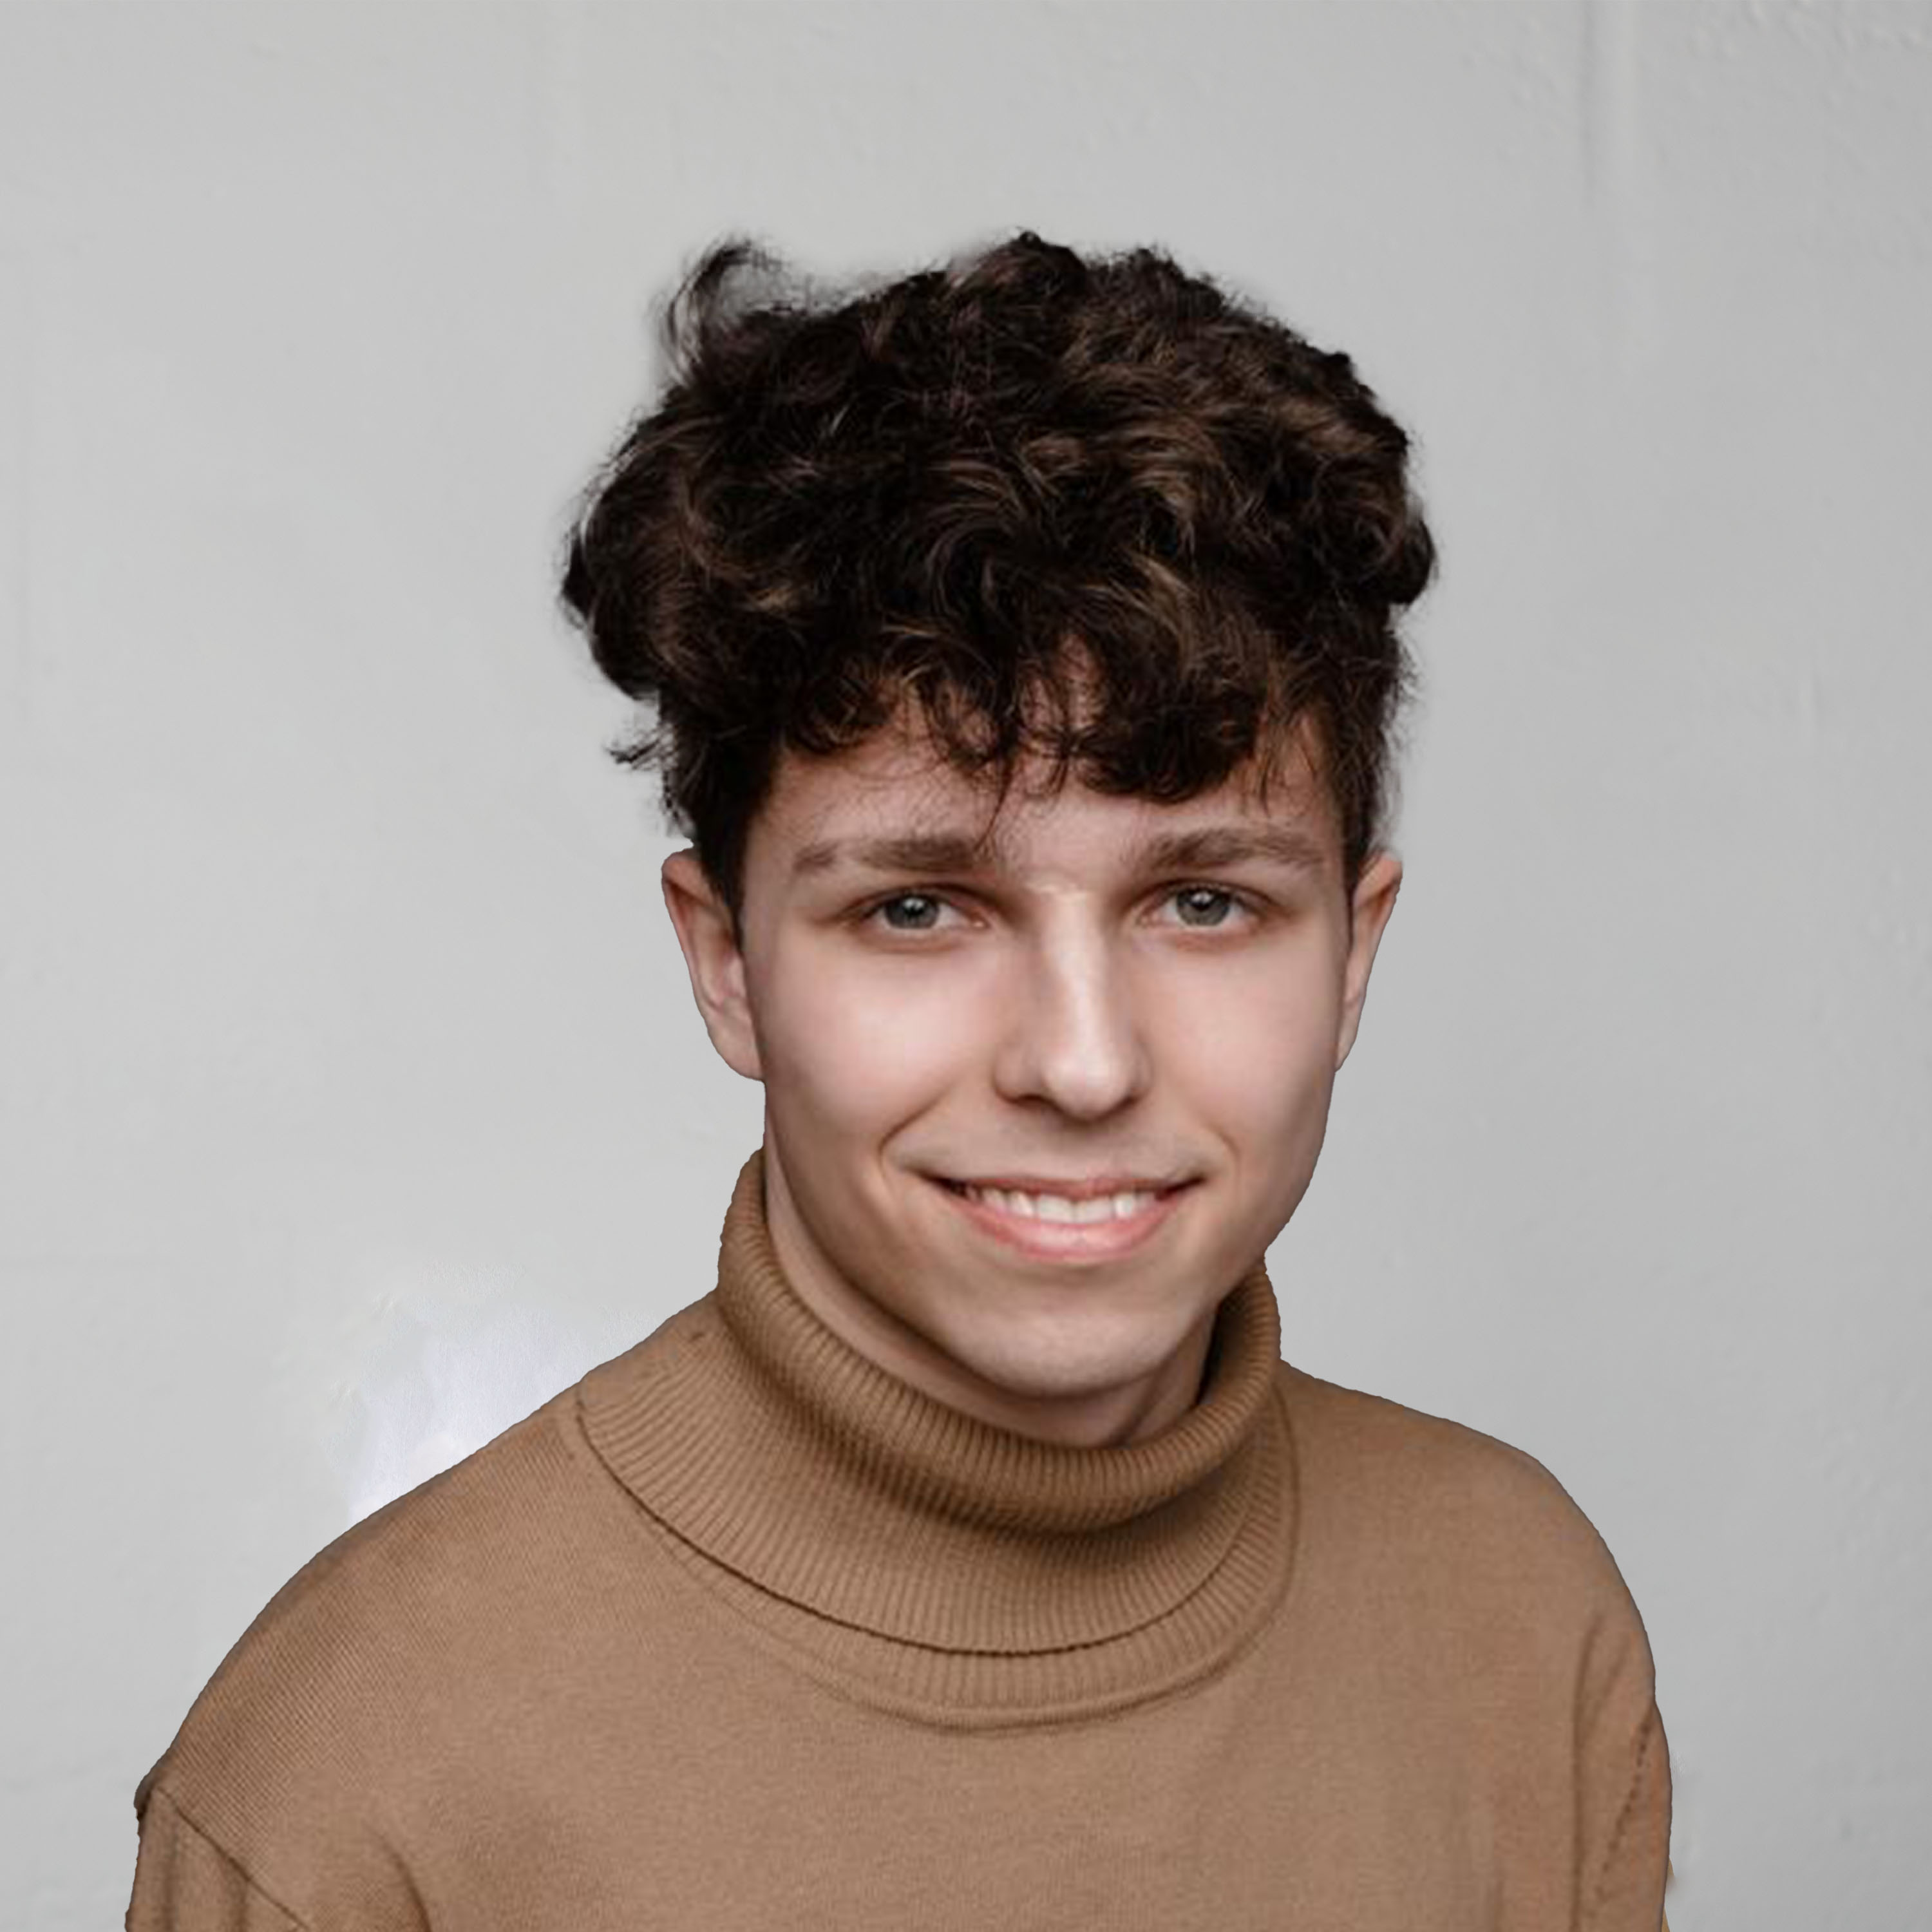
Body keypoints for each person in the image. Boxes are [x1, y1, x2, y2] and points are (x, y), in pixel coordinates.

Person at [126, 232, 1672, 1929]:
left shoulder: (1519, 1621)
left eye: (1204, 903)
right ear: (728, 962)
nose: (1080, 1063)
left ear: (1353, 956)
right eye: (920, 909)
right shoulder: (356, 1774)